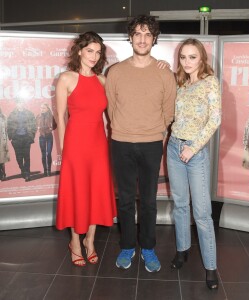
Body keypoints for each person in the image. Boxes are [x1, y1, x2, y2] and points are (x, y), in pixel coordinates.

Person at [106, 15, 176, 273]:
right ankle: (127, 246)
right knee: (124, 200)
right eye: (138, 34)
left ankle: (148, 247)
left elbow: (169, 111)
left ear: (154, 38)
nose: (142, 39)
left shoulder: (164, 73)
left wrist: (152, 130)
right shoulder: (115, 72)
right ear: (131, 38)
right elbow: (112, 110)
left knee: (148, 201)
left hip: (151, 144)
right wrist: (126, 128)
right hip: (121, 142)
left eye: (147, 34)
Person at [55, 31, 117, 267]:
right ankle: (75, 241)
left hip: (98, 144)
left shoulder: (102, 80)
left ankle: (90, 240)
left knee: (95, 191)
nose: (94, 55)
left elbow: (111, 115)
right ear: (79, 51)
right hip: (75, 145)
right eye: (90, 50)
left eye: (98, 52)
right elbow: (60, 117)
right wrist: (64, 150)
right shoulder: (66, 78)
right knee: (76, 191)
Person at [166, 38, 221, 290]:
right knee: (179, 205)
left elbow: (214, 120)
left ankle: (211, 267)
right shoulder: (180, 84)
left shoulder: (210, 83)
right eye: (183, 57)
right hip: (174, 146)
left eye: (192, 57)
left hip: (195, 152)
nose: (187, 62)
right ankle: (182, 250)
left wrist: (193, 147)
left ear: (202, 59)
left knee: (202, 213)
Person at [7, 99, 37, 182]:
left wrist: (31, 135)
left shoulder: (29, 113)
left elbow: (34, 124)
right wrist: (12, 136)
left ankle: (27, 174)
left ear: (24, 103)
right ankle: (23, 170)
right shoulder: (12, 115)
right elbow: (8, 126)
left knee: (27, 156)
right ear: (16, 104)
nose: (20, 104)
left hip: (26, 137)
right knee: (19, 157)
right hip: (16, 138)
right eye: (18, 103)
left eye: (21, 102)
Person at [36, 103, 57, 176]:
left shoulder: (51, 116)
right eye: (41, 108)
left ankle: (49, 170)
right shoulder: (38, 116)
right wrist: (37, 128)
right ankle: (45, 170)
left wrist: (51, 128)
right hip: (42, 137)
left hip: (49, 137)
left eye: (44, 108)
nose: (42, 109)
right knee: (43, 154)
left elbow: (55, 125)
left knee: (48, 153)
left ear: (47, 109)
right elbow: (35, 125)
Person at [0, 107, 10, 181]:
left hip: (2, 141)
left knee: (2, 160)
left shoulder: (3, 117)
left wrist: (6, 141)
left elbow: (6, 130)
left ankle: (4, 174)